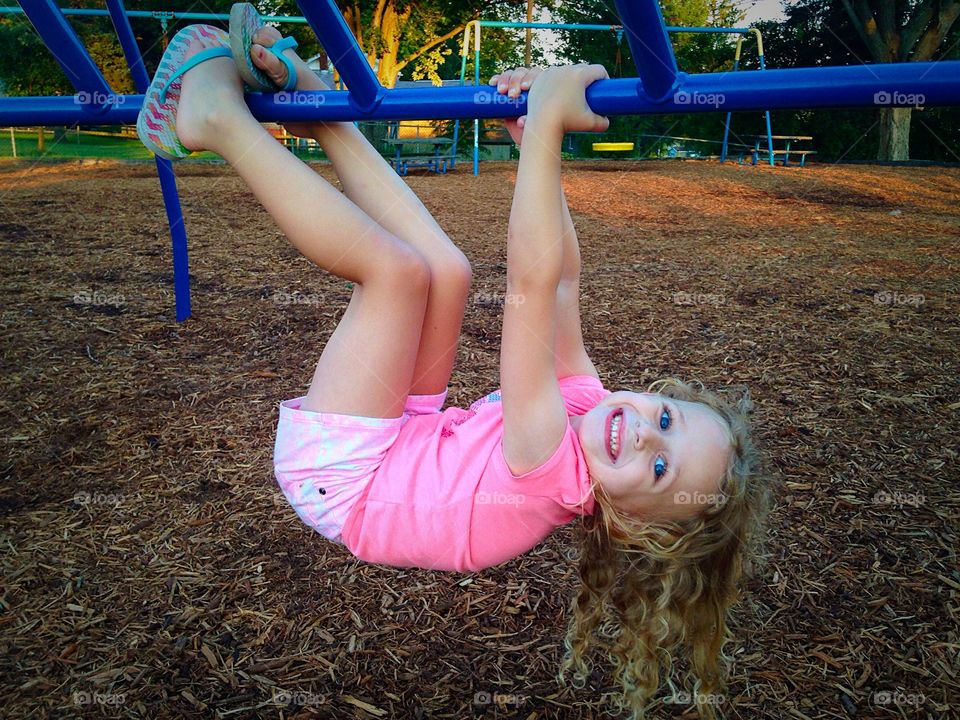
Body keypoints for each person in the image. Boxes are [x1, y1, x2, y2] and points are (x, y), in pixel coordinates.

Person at [138, 17, 769, 719]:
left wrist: (552, 131)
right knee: (446, 270)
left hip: (345, 480)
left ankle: (215, 118)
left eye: (659, 470)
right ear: (657, 395)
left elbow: (528, 288)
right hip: (410, 436)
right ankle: (316, 102)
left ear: (628, 523)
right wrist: (536, 139)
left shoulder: (551, 468)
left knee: (393, 274)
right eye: (668, 419)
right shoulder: (591, 405)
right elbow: (562, 284)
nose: (648, 436)